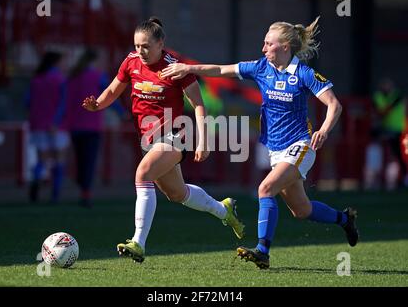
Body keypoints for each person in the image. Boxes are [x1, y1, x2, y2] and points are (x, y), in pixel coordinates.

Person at [161, 17, 359, 269]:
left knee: (265, 189)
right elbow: (221, 70)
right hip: (275, 149)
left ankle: (262, 251)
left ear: (285, 46)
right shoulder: (261, 67)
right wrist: (189, 68)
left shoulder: (304, 73)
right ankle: (345, 219)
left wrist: (324, 130)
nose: (263, 48)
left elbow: (334, 104)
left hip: (300, 145)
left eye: (269, 43)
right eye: (264, 43)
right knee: (301, 210)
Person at [82, 17, 245, 263]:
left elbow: (199, 104)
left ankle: (138, 242)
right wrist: (98, 105)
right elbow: (114, 90)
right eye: (137, 45)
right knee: (177, 194)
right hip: (149, 138)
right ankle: (224, 210)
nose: (140, 51)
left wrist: (203, 140)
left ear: (161, 43)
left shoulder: (176, 68)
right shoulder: (131, 62)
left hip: (176, 134)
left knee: (142, 173)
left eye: (146, 46)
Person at [66, 48, 125, 208]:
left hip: (74, 125)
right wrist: (123, 113)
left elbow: (65, 100)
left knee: (79, 159)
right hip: (92, 125)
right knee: (89, 161)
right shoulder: (98, 76)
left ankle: (81, 186)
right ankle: (86, 192)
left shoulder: (72, 76)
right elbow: (111, 94)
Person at [26, 51, 69, 203]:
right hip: (56, 126)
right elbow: (63, 103)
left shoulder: (36, 79)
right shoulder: (60, 79)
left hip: (38, 124)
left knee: (41, 159)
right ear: (56, 63)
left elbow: (27, 102)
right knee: (59, 159)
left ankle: (36, 183)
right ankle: (55, 194)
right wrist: (56, 122)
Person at [372, 78, 407, 189]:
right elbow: (381, 111)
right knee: (389, 155)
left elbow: (385, 111)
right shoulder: (378, 96)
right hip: (386, 129)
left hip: (399, 130)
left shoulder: (397, 95)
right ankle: (381, 180)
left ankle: (402, 179)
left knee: (399, 155)